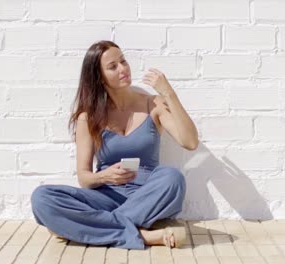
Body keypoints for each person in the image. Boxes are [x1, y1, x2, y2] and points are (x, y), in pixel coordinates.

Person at [31, 40, 199, 249]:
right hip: (106, 196)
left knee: (173, 178)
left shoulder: (153, 104)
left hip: (148, 196)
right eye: (113, 66)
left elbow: (190, 142)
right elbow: (84, 178)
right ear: (99, 78)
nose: (123, 69)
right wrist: (104, 176)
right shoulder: (88, 117)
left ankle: (90, 228)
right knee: (42, 198)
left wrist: (169, 94)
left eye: (123, 61)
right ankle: (143, 236)